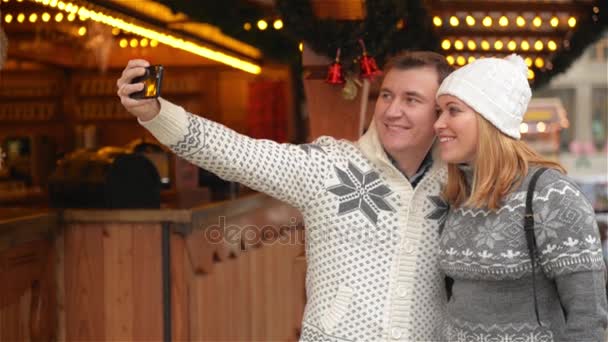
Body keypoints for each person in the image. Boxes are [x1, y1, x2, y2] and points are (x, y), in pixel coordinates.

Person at [117, 51, 453, 341]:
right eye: (386, 95)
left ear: (440, 113)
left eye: (411, 99)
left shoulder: (458, 183)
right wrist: (155, 112)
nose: (392, 111)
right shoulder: (331, 167)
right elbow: (239, 154)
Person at [433, 54, 608, 341]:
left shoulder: (551, 195)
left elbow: (587, 317)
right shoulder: (458, 191)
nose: (438, 124)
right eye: (439, 112)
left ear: (491, 120)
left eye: (453, 110)